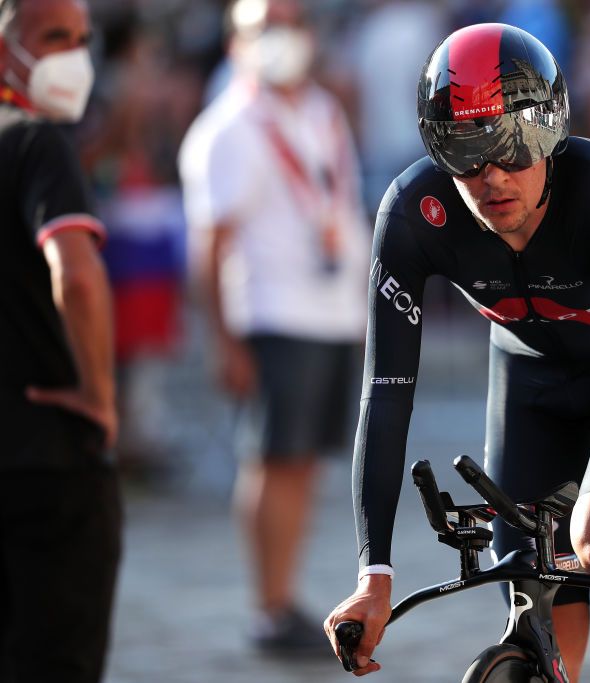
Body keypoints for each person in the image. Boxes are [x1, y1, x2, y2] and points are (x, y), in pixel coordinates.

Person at [324, 23, 590, 683]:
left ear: (548, 133)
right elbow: (385, 392)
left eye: (511, 150)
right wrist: (372, 575)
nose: (491, 180)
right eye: (466, 156)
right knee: (533, 587)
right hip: (531, 370)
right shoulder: (411, 212)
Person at [178, 0, 369, 655]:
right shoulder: (230, 126)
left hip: (330, 309)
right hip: (272, 313)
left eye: (292, 24)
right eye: (265, 28)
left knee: (303, 462)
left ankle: (284, 596)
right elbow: (210, 244)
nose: (283, 39)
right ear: (236, 43)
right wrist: (223, 341)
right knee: (274, 458)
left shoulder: (321, 109)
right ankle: (271, 605)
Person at [0, 0, 122, 681]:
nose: (74, 56)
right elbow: (76, 274)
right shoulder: (37, 141)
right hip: (47, 457)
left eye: (82, 39)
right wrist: (100, 396)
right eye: (54, 38)